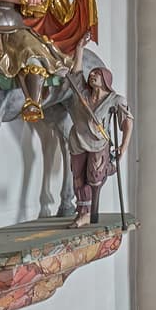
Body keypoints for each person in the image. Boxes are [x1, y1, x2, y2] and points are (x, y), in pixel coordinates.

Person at [65, 65, 133, 226]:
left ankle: (91, 212)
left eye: (97, 73)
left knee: (94, 178)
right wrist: (79, 46)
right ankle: (83, 214)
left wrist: (123, 147)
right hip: (77, 140)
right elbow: (75, 73)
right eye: (92, 74)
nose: (92, 75)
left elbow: (128, 123)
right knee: (78, 179)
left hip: (98, 143)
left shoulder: (115, 99)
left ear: (106, 79)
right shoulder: (84, 94)